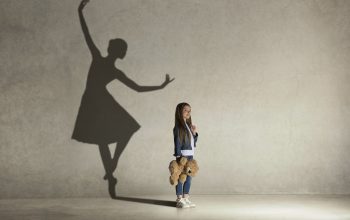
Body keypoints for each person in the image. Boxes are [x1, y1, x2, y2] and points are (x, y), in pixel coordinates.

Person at [72, 0, 174, 198]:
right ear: (117, 51)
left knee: (125, 130)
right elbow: (86, 34)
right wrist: (80, 11)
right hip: (95, 102)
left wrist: (160, 86)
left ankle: (112, 167)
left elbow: (136, 88)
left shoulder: (109, 67)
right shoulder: (100, 60)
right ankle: (111, 173)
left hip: (99, 101)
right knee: (105, 138)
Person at [173, 102, 199, 208]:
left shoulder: (188, 126)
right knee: (180, 177)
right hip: (183, 156)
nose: (188, 112)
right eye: (185, 110)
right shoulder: (178, 127)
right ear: (180, 112)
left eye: (189, 110)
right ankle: (179, 199)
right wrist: (179, 156)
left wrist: (194, 133)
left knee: (189, 177)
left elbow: (193, 143)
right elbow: (177, 142)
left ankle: (186, 197)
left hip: (190, 156)